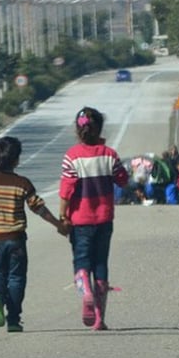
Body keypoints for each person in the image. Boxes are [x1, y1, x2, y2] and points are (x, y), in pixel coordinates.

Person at [0, 136, 66, 333]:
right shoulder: (22, 184)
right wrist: (58, 224)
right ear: (16, 160)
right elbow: (39, 209)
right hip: (16, 239)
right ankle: (13, 319)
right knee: (17, 278)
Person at [59, 107, 129, 331]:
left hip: (80, 221)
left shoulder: (72, 156)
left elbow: (66, 190)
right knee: (100, 264)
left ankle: (85, 292)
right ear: (99, 127)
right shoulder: (109, 154)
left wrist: (63, 215)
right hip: (104, 219)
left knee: (81, 262)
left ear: (78, 130)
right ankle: (100, 318)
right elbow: (123, 180)